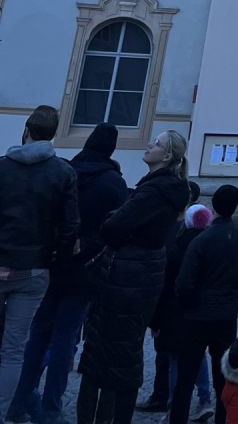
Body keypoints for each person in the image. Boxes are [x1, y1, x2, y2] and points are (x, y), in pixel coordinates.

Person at [12, 122, 126, 424]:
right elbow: (114, 230)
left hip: (54, 262)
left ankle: (20, 399)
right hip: (84, 271)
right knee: (65, 341)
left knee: (37, 334)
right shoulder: (114, 183)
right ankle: (50, 407)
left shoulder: (67, 170)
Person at [77, 130, 190, 424]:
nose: (149, 144)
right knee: (122, 351)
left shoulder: (154, 190)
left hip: (128, 275)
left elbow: (114, 227)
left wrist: (113, 219)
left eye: (156, 143)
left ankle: (105, 418)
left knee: (110, 355)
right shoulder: (166, 188)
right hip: (142, 274)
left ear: (166, 156)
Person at [0, 105, 80, 424]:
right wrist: (54, 257)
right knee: (14, 349)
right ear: (55, 133)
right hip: (34, 268)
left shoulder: (3, 167)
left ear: (26, 129)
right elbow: (70, 226)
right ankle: (4, 412)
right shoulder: (63, 172)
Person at [170, 186, 238, 424]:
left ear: (214, 206)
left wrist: (189, 302)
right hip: (225, 315)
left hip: (196, 316)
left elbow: (185, 281)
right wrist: (232, 295)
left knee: (185, 378)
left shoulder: (202, 239)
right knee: (223, 377)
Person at [141, 205, 216, 419]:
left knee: (175, 359)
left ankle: (175, 406)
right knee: (198, 355)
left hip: (175, 311)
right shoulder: (211, 245)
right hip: (202, 310)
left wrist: (155, 321)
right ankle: (204, 399)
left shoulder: (175, 247)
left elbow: (163, 287)